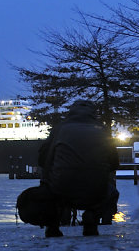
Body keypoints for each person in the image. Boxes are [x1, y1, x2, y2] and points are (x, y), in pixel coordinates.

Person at [37, 100, 119, 237]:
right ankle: (92, 214)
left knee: (50, 191)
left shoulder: (59, 129)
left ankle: (53, 225)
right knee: (112, 193)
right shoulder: (103, 130)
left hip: (62, 186)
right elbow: (115, 162)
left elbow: (43, 159)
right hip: (95, 189)